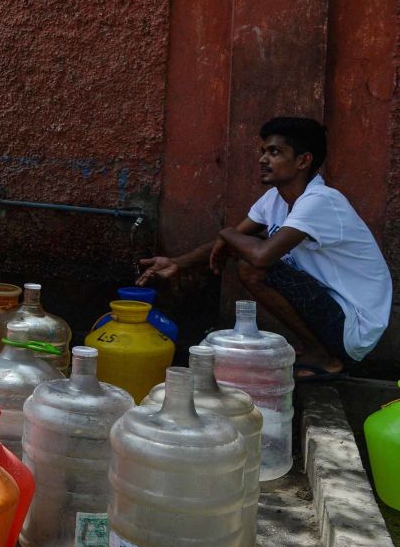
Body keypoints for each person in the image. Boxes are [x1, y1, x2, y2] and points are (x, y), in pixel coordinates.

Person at [138, 117, 392, 377]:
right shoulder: (275, 199)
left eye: (275, 152)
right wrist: (178, 263)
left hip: (353, 326)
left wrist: (226, 232)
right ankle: (316, 349)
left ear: (303, 161)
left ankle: (323, 358)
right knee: (249, 251)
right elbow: (230, 244)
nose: (262, 159)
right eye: (263, 151)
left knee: (252, 265)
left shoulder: (321, 201)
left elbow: (259, 256)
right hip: (331, 313)